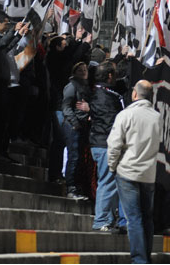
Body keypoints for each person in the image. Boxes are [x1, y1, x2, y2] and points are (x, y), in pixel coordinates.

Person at [107, 80, 161, 264]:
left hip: (127, 172)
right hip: (149, 174)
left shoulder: (126, 114)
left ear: (135, 94)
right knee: (147, 217)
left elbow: (114, 144)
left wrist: (112, 166)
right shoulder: (157, 118)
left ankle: (139, 259)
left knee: (134, 218)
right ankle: (146, 256)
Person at [0, 10, 29, 159]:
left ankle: (1, 149)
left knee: (3, 118)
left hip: (2, 81)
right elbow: (0, 45)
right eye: (6, 24)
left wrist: (18, 35)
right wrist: (13, 31)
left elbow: (6, 48)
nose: (7, 27)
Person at [89, 60, 126, 231]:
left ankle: (109, 219)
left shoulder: (97, 93)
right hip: (105, 144)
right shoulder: (108, 96)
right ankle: (101, 220)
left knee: (110, 182)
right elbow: (112, 121)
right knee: (108, 181)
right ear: (110, 76)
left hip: (99, 142)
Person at [61, 62, 91, 199]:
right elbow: (66, 107)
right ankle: (70, 187)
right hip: (73, 125)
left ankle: (77, 186)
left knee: (79, 157)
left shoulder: (87, 87)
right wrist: (74, 123)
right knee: (74, 156)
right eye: (80, 70)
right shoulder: (71, 86)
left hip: (83, 125)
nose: (83, 71)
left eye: (85, 69)